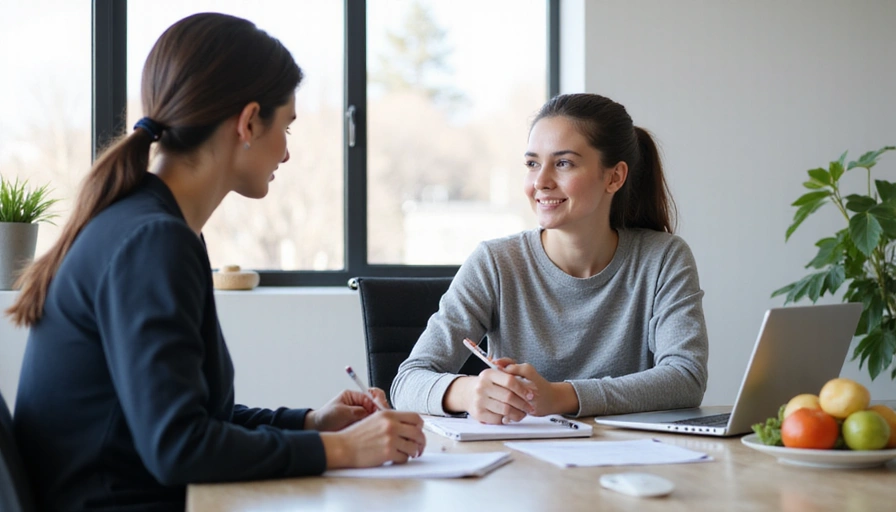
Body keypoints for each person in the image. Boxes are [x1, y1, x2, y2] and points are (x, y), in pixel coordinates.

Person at [6, 13, 424, 512]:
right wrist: (343, 450)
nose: (286, 155)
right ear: (248, 122)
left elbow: (195, 419)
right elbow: (180, 448)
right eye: (286, 128)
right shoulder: (154, 241)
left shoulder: (152, 226)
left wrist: (312, 424)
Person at [391, 93, 709, 425]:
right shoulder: (495, 263)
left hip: (630, 455)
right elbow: (407, 382)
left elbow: (686, 378)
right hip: (517, 455)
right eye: (532, 164)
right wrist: (469, 392)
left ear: (614, 177)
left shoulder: (663, 258)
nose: (540, 182)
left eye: (563, 163)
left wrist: (559, 396)